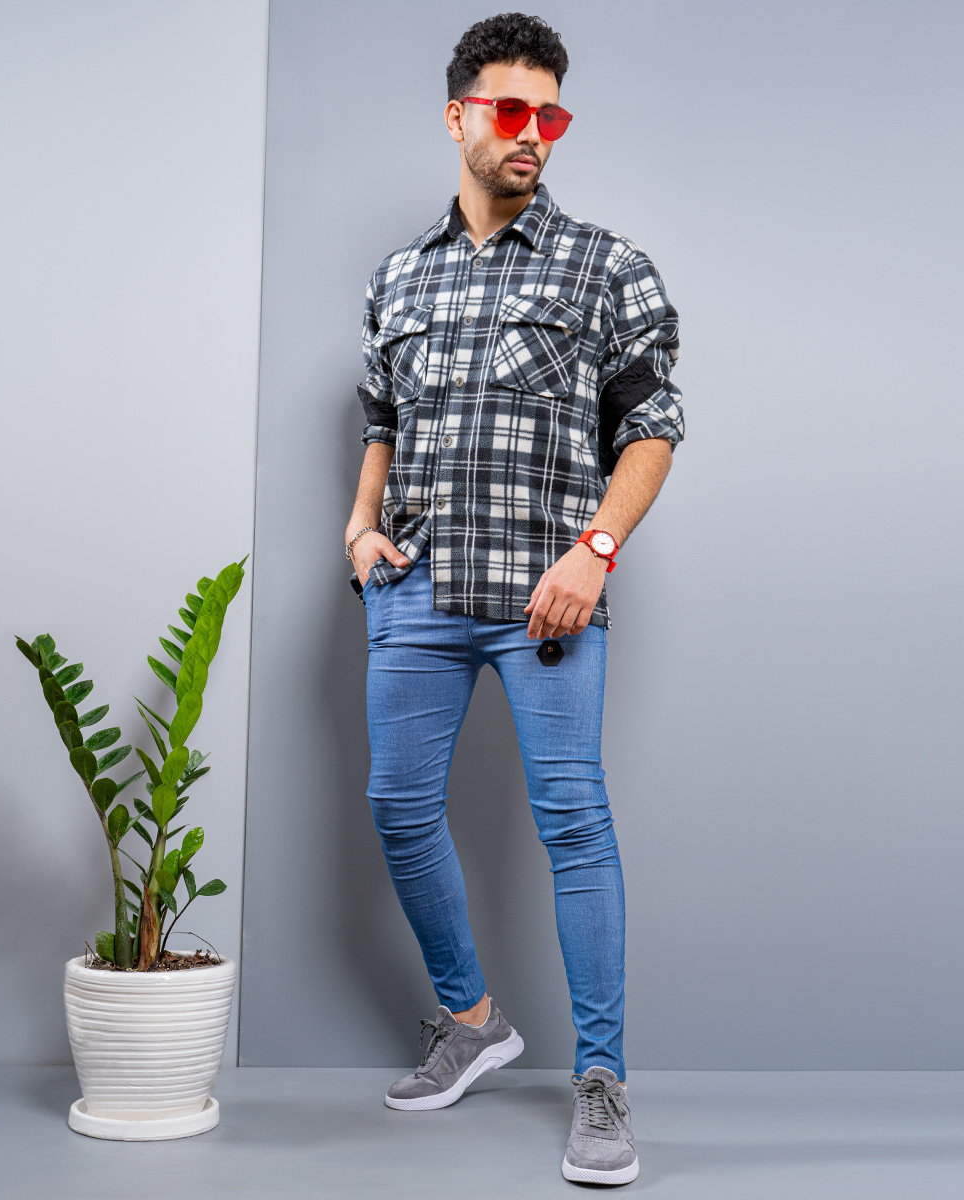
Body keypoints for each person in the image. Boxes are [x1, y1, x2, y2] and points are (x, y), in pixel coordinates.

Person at [343, 12, 683, 1187]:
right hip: (419, 587)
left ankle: (603, 1080)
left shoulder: (607, 266)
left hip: (550, 600)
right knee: (397, 808)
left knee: (572, 825)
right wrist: (360, 524)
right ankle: (473, 1022)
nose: (533, 132)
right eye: (510, 110)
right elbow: (382, 417)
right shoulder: (398, 276)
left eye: (551, 115)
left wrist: (595, 550)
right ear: (459, 117)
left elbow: (654, 426)